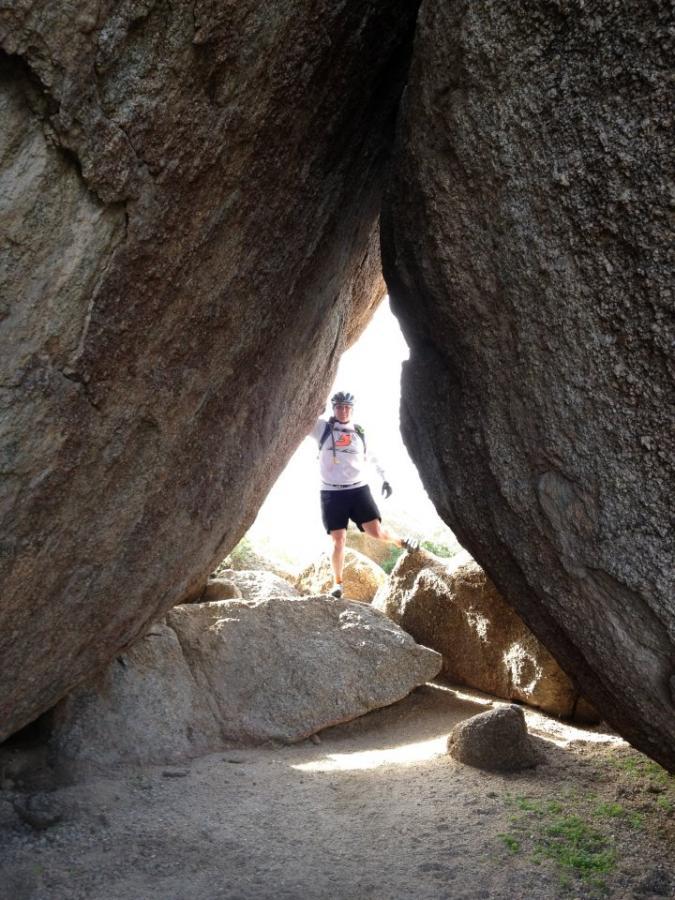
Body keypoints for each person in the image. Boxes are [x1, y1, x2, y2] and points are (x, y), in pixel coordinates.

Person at [310, 390, 419, 599]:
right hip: (331, 493)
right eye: (339, 407)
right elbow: (303, 419)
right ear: (334, 409)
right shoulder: (322, 429)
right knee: (338, 540)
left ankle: (403, 542)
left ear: (352, 409)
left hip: (358, 489)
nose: (343, 411)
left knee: (376, 532)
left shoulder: (359, 432)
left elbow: (373, 457)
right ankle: (338, 584)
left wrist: (385, 479)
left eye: (347, 407)